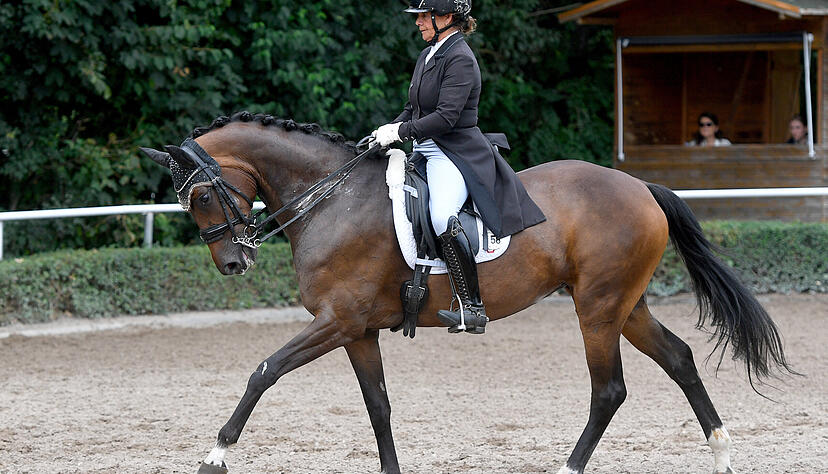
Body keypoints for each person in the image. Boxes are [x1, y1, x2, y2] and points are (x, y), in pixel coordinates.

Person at [371, 0, 546, 335]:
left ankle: (472, 306)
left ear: (446, 18)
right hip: (424, 148)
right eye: (419, 17)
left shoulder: (460, 58)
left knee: (441, 216)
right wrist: (386, 132)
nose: (419, 22)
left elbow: (447, 117)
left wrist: (402, 132)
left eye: (424, 16)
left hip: (452, 152)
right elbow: (413, 108)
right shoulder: (428, 55)